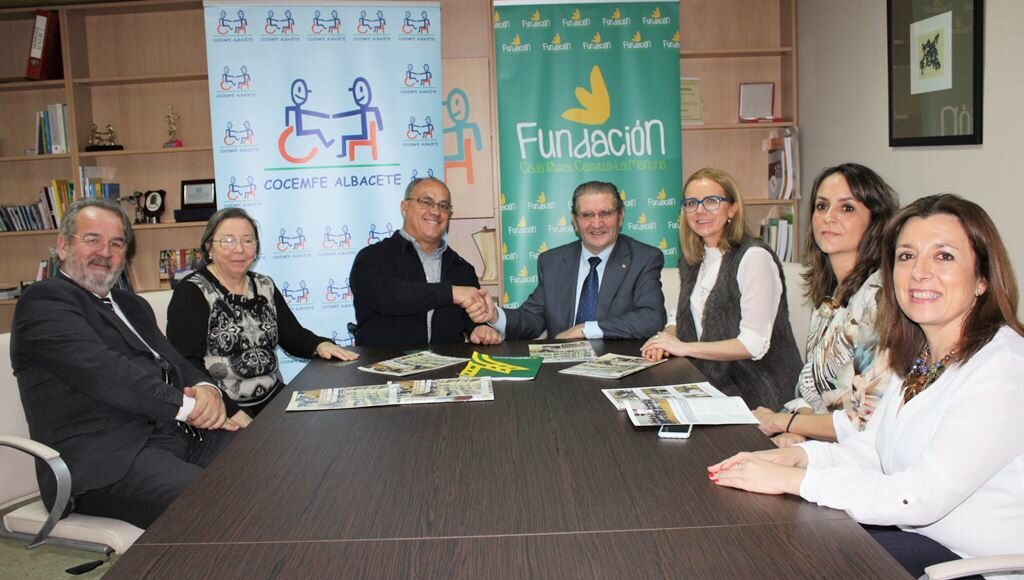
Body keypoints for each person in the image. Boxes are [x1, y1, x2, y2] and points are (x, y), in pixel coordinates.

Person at [708, 194, 1024, 577]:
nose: (919, 272)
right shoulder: (922, 355)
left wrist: (797, 480)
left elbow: (917, 498)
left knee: (785, 556)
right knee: (767, 535)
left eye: (944, 256)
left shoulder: (1003, 368)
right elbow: (875, 449)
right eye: (906, 256)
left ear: (982, 279)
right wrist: (800, 458)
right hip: (915, 540)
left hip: (967, 565)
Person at [10, 199, 242, 529]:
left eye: (116, 243)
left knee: (264, 465)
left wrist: (208, 391)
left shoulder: (130, 304)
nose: (105, 252)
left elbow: (174, 360)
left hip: (174, 435)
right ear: (62, 246)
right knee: (216, 503)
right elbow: (105, 373)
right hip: (104, 461)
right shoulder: (44, 301)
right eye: (92, 239)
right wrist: (189, 408)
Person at [752, 163, 899, 445]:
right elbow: (811, 394)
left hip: (856, 456)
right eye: (822, 206)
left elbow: (866, 421)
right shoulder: (830, 298)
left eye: (847, 208)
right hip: (815, 441)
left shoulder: (879, 299)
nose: (828, 218)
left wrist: (784, 422)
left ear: (875, 221)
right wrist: (796, 430)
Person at [167, 208, 356, 418]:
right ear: (209, 247)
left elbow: (292, 336)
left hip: (273, 398)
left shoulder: (264, 284)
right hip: (221, 408)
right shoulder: (191, 291)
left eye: (248, 241)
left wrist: (319, 345)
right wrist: (229, 410)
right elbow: (185, 362)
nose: (239, 249)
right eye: (228, 241)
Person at [641, 168, 801, 409]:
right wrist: (663, 340)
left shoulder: (754, 257)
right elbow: (680, 318)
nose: (700, 210)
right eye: (691, 203)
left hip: (759, 394)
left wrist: (683, 348)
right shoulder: (693, 258)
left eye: (711, 201)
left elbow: (752, 345)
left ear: (733, 209)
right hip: (710, 386)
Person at [485, 181, 666, 341]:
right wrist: (494, 315)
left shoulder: (643, 259)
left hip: (619, 362)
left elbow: (652, 318)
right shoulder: (552, 262)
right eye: (587, 215)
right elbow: (532, 319)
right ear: (574, 220)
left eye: (606, 213)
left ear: (620, 216)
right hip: (562, 363)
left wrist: (585, 330)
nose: (597, 223)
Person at [350, 177, 498, 346]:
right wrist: (450, 293)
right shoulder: (371, 258)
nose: (435, 211)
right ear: (404, 207)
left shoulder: (462, 268)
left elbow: (471, 318)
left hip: (450, 362)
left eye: (443, 206)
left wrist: (478, 328)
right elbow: (388, 296)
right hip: (383, 362)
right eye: (426, 202)